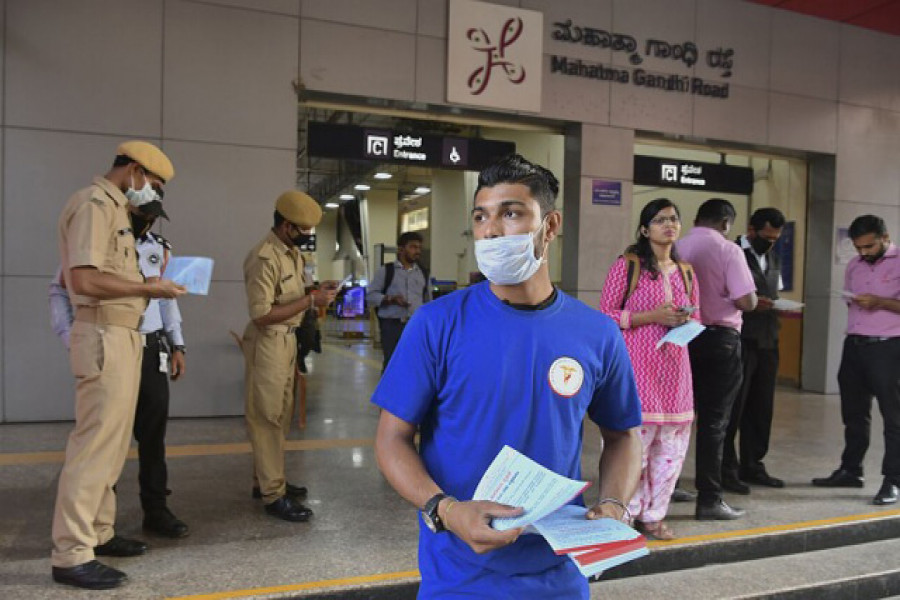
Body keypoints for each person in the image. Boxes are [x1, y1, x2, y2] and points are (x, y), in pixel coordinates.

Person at [372, 154, 642, 599]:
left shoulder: (596, 333)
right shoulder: (437, 324)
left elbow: (624, 436)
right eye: (481, 217)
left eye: (511, 213)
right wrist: (446, 509)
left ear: (550, 226)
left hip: (559, 574)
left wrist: (614, 502)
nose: (492, 230)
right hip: (459, 574)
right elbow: (391, 439)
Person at [51, 141, 186, 590]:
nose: (152, 194)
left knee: (112, 447)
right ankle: (71, 552)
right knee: (93, 448)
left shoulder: (116, 212)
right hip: (105, 335)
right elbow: (84, 278)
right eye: (153, 184)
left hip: (127, 336)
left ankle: (98, 533)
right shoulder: (94, 205)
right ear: (133, 170)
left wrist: (148, 284)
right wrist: (149, 289)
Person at [599, 198, 699, 540]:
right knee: (633, 447)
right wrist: (651, 317)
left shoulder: (686, 271)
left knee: (670, 452)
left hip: (675, 371)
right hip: (637, 370)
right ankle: (625, 512)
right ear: (645, 229)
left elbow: (697, 316)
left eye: (673, 219)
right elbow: (606, 317)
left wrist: (685, 320)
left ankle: (654, 515)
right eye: (659, 220)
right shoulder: (628, 266)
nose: (668, 225)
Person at [242, 190, 338, 521]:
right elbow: (262, 314)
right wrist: (312, 302)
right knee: (266, 417)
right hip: (268, 340)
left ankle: (267, 480)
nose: (307, 237)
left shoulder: (291, 253)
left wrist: (316, 291)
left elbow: (293, 297)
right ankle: (273, 495)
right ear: (286, 226)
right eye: (303, 230)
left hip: (287, 341)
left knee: (279, 415)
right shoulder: (264, 257)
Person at [676, 198, 757, 521]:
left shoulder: (677, 247)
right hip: (720, 341)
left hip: (682, 338)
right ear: (726, 222)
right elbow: (746, 300)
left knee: (678, 418)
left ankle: (668, 486)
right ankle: (710, 498)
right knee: (714, 422)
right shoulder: (728, 250)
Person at [813, 215, 900, 505]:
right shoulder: (854, 265)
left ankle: (893, 480)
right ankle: (851, 469)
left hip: (889, 347)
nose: (863, 252)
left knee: (893, 416)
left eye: (869, 246)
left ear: (885, 237)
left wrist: (880, 302)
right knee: (853, 413)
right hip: (855, 344)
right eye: (858, 247)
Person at [723, 208, 787, 493]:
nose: (770, 242)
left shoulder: (773, 258)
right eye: (766, 236)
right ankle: (726, 467)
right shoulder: (731, 252)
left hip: (768, 340)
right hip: (740, 340)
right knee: (733, 408)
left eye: (775, 238)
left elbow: (776, 291)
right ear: (752, 230)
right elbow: (719, 292)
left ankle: (753, 464)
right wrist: (748, 302)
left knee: (762, 408)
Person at [366, 231, 432, 372]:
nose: (417, 251)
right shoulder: (386, 271)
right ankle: (388, 393)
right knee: (392, 363)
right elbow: (370, 295)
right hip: (392, 326)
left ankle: (410, 393)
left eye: (419, 248)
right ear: (401, 249)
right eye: (413, 247)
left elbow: (428, 302)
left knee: (415, 364)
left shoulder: (423, 273)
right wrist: (390, 299)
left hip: (415, 326)